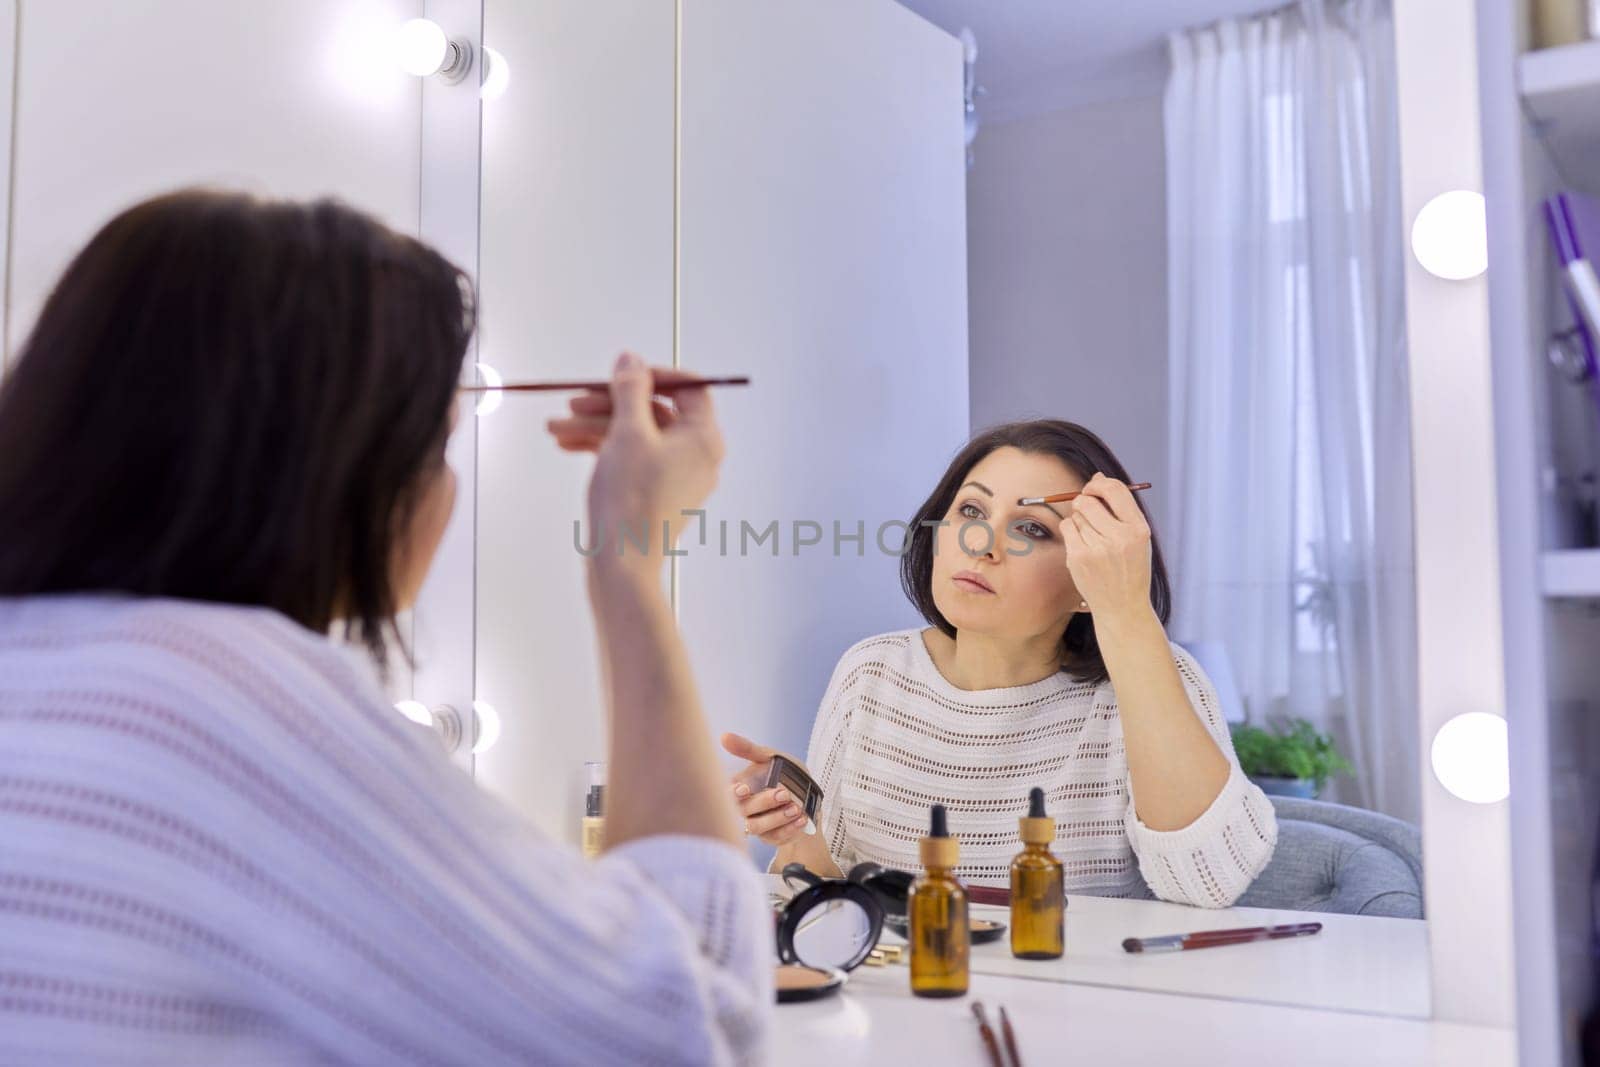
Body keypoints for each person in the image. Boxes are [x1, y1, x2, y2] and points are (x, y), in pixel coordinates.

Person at [0, 190, 768, 1064]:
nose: (446, 488)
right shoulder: (231, 707)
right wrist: (628, 557)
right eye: (440, 444)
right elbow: (685, 1031)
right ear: (337, 464)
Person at [724, 420, 1277, 908]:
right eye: (971, 509)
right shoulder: (871, 673)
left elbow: (1211, 881)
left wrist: (1127, 612)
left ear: (1090, 573)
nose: (981, 543)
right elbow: (834, 898)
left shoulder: (1152, 679)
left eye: (1033, 529)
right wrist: (794, 831)